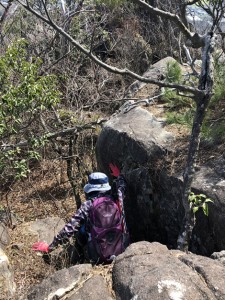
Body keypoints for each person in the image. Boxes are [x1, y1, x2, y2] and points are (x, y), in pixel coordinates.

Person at [32, 164, 129, 265]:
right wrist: (118, 177)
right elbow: (122, 187)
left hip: (98, 256)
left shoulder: (88, 205)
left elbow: (69, 229)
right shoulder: (116, 198)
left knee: (81, 229)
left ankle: (81, 259)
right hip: (121, 251)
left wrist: (50, 247)